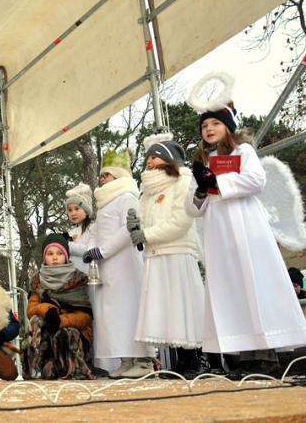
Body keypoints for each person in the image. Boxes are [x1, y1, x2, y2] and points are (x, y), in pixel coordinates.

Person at [185, 71, 306, 378]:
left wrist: (219, 182)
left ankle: (266, 354)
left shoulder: (243, 152)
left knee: (254, 286)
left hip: (246, 230)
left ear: (228, 126)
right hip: (218, 235)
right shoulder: (201, 161)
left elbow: (256, 180)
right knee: (230, 292)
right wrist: (202, 189)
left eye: (215, 124)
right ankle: (243, 356)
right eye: (205, 126)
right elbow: (191, 207)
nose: (209, 129)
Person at [128, 135, 205, 378]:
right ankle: (181, 360)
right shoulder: (147, 191)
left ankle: (196, 358)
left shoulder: (183, 180)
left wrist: (146, 234)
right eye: (148, 157)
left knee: (184, 306)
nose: (149, 162)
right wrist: (135, 227)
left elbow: (181, 221)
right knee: (168, 311)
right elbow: (147, 221)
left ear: (168, 158)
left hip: (178, 251)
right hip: (155, 254)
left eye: (154, 156)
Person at [84, 149, 154, 379]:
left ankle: (143, 360)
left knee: (131, 310)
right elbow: (95, 232)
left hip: (126, 265)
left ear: (118, 175)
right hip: (107, 269)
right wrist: (91, 250)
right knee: (113, 315)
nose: (102, 178)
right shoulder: (104, 203)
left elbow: (128, 229)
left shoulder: (127, 196)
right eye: (101, 175)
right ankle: (126, 359)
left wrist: (103, 250)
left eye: (106, 174)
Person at [25, 234, 95, 380]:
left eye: (59, 253)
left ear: (66, 256)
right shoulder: (37, 280)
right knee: (36, 320)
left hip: (72, 329)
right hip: (47, 324)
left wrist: (60, 320)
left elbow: (85, 317)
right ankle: (37, 366)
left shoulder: (78, 279)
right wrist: (48, 311)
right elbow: (31, 309)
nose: (55, 257)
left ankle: (72, 370)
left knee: (67, 333)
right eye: (50, 254)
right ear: (44, 257)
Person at [65, 183, 95, 274]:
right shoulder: (69, 233)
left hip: (89, 275)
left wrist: (67, 245)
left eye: (77, 209)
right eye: (70, 210)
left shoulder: (93, 228)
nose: (73, 213)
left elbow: (91, 250)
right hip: (73, 277)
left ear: (86, 210)